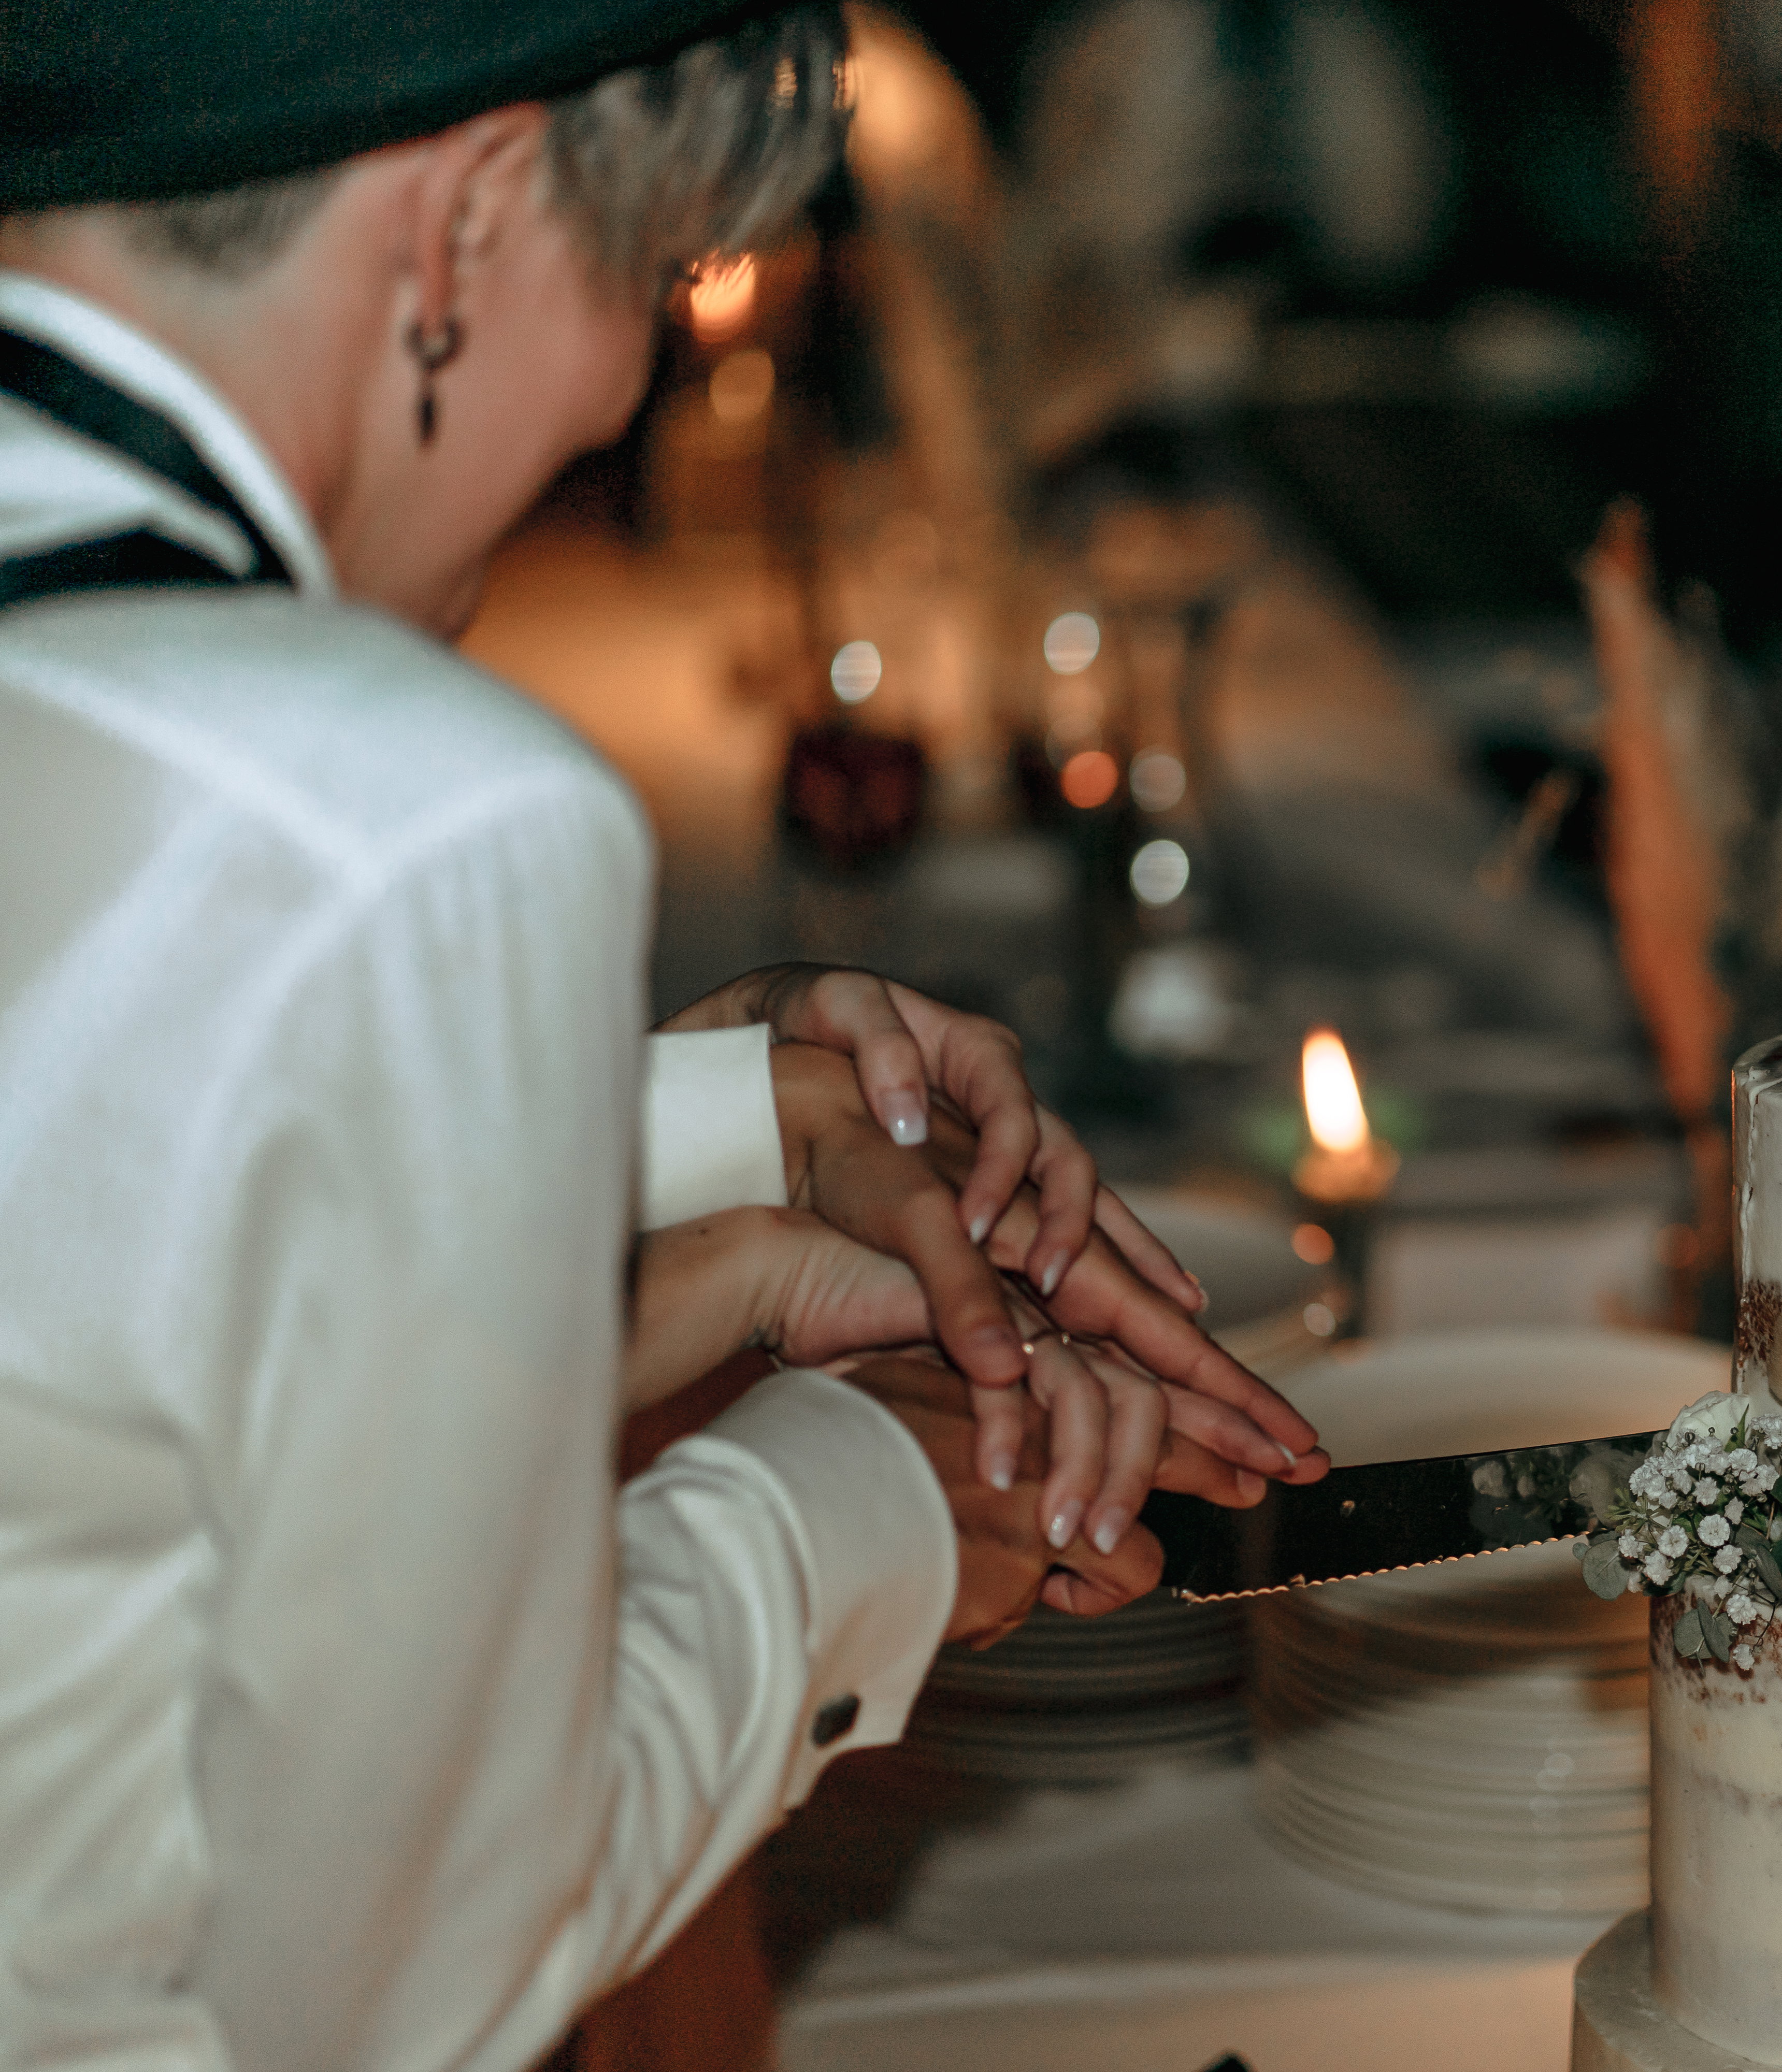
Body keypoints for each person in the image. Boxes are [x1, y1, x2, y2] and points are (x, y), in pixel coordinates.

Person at [0, 5, 1322, 2065]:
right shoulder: (411, 826)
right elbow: (394, 1991)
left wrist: (728, 1136)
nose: (627, 383)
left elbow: (72, 1220)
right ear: (465, 225)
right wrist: (859, 1500)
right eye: (649, 278)